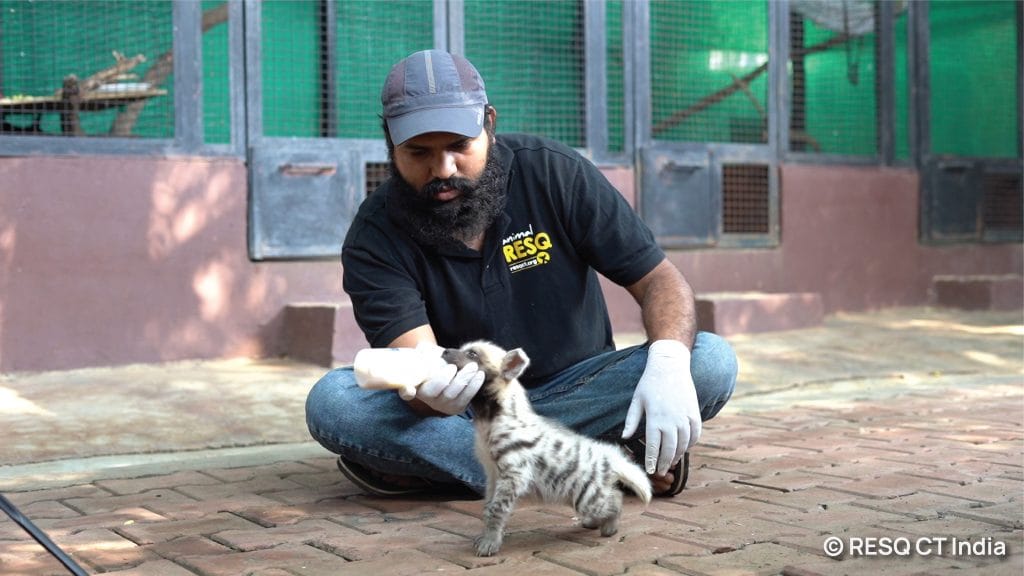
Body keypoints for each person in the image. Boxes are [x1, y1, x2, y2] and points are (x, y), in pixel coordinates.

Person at [305, 49, 737, 498]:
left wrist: (667, 364)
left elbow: (660, 282)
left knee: (708, 361)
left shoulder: (554, 171)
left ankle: (452, 470)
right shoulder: (374, 235)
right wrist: (429, 396)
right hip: (470, 412)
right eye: (418, 152)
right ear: (390, 145)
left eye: (459, 146)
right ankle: (593, 459)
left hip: (584, 388)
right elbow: (420, 365)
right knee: (335, 403)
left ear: (489, 122)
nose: (443, 170)